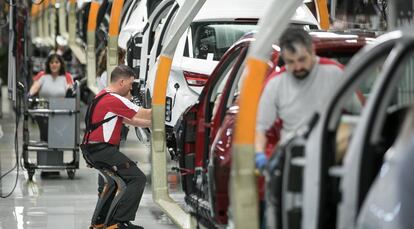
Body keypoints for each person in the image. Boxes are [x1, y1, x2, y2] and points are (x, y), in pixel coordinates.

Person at [255, 28, 345, 168]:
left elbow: (359, 114)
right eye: (290, 62)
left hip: (331, 158)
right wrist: (259, 154)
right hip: (292, 159)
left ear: (312, 51)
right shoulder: (275, 84)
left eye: (302, 60)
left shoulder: (334, 73)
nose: (297, 67)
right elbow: (260, 128)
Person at [81, 65, 151, 229]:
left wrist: (158, 123)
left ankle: (99, 222)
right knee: (137, 178)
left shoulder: (102, 96)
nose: (131, 88)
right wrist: (164, 109)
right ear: (122, 81)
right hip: (102, 150)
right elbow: (144, 113)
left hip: (91, 150)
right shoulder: (114, 98)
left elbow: (132, 120)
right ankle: (117, 223)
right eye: (130, 83)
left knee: (113, 182)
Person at [29, 53, 74, 141]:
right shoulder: (42, 75)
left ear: (61, 64)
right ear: (48, 64)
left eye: (56, 62)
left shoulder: (67, 76)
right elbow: (34, 88)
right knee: (45, 137)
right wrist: (29, 95)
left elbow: (70, 91)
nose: (54, 64)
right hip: (43, 111)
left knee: (57, 139)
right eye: (52, 62)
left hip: (60, 113)